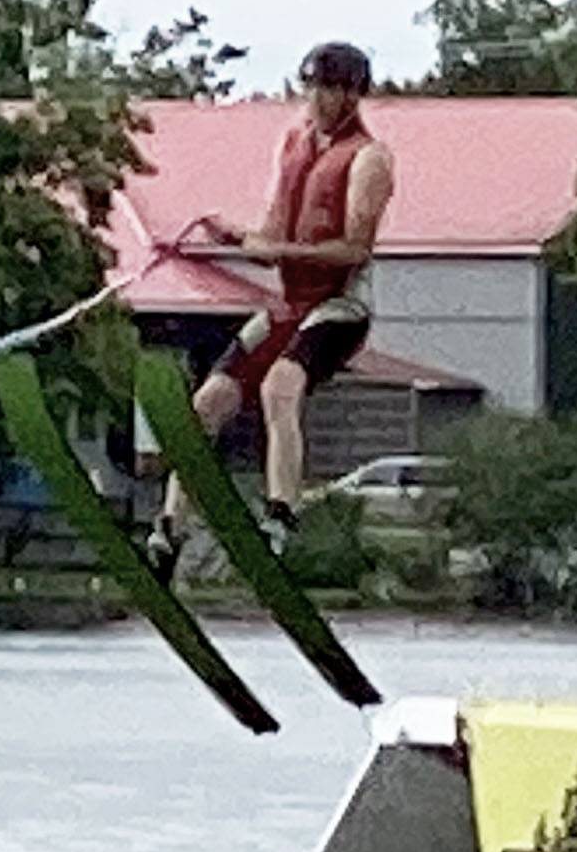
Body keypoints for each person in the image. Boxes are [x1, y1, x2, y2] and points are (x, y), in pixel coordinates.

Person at [148, 41, 396, 567]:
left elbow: (354, 249)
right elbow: (271, 238)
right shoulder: (293, 145)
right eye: (312, 86)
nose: (318, 98)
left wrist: (274, 248)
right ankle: (170, 530)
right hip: (286, 305)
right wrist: (237, 237)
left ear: (353, 94)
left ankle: (281, 515)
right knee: (208, 402)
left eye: (330, 88)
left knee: (281, 387)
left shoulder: (369, 159)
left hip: (340, 307)